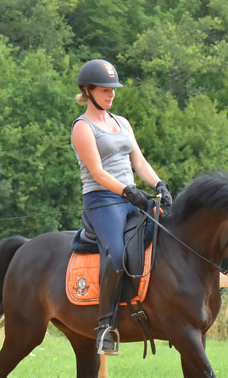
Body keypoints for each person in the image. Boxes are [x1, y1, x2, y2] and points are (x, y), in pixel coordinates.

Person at [71, 59, 172, 355]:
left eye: (113, 90)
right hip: (102, 200)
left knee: (171, 234)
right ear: (87, 91)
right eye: (104, 90)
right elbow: (99, 173)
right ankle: (105, 327)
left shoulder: (121, 122)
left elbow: (138, 161)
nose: (111, 94)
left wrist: (158, 185)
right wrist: (129, 191)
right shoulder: (82, 127)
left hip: (131, 196)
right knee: (116, 255)